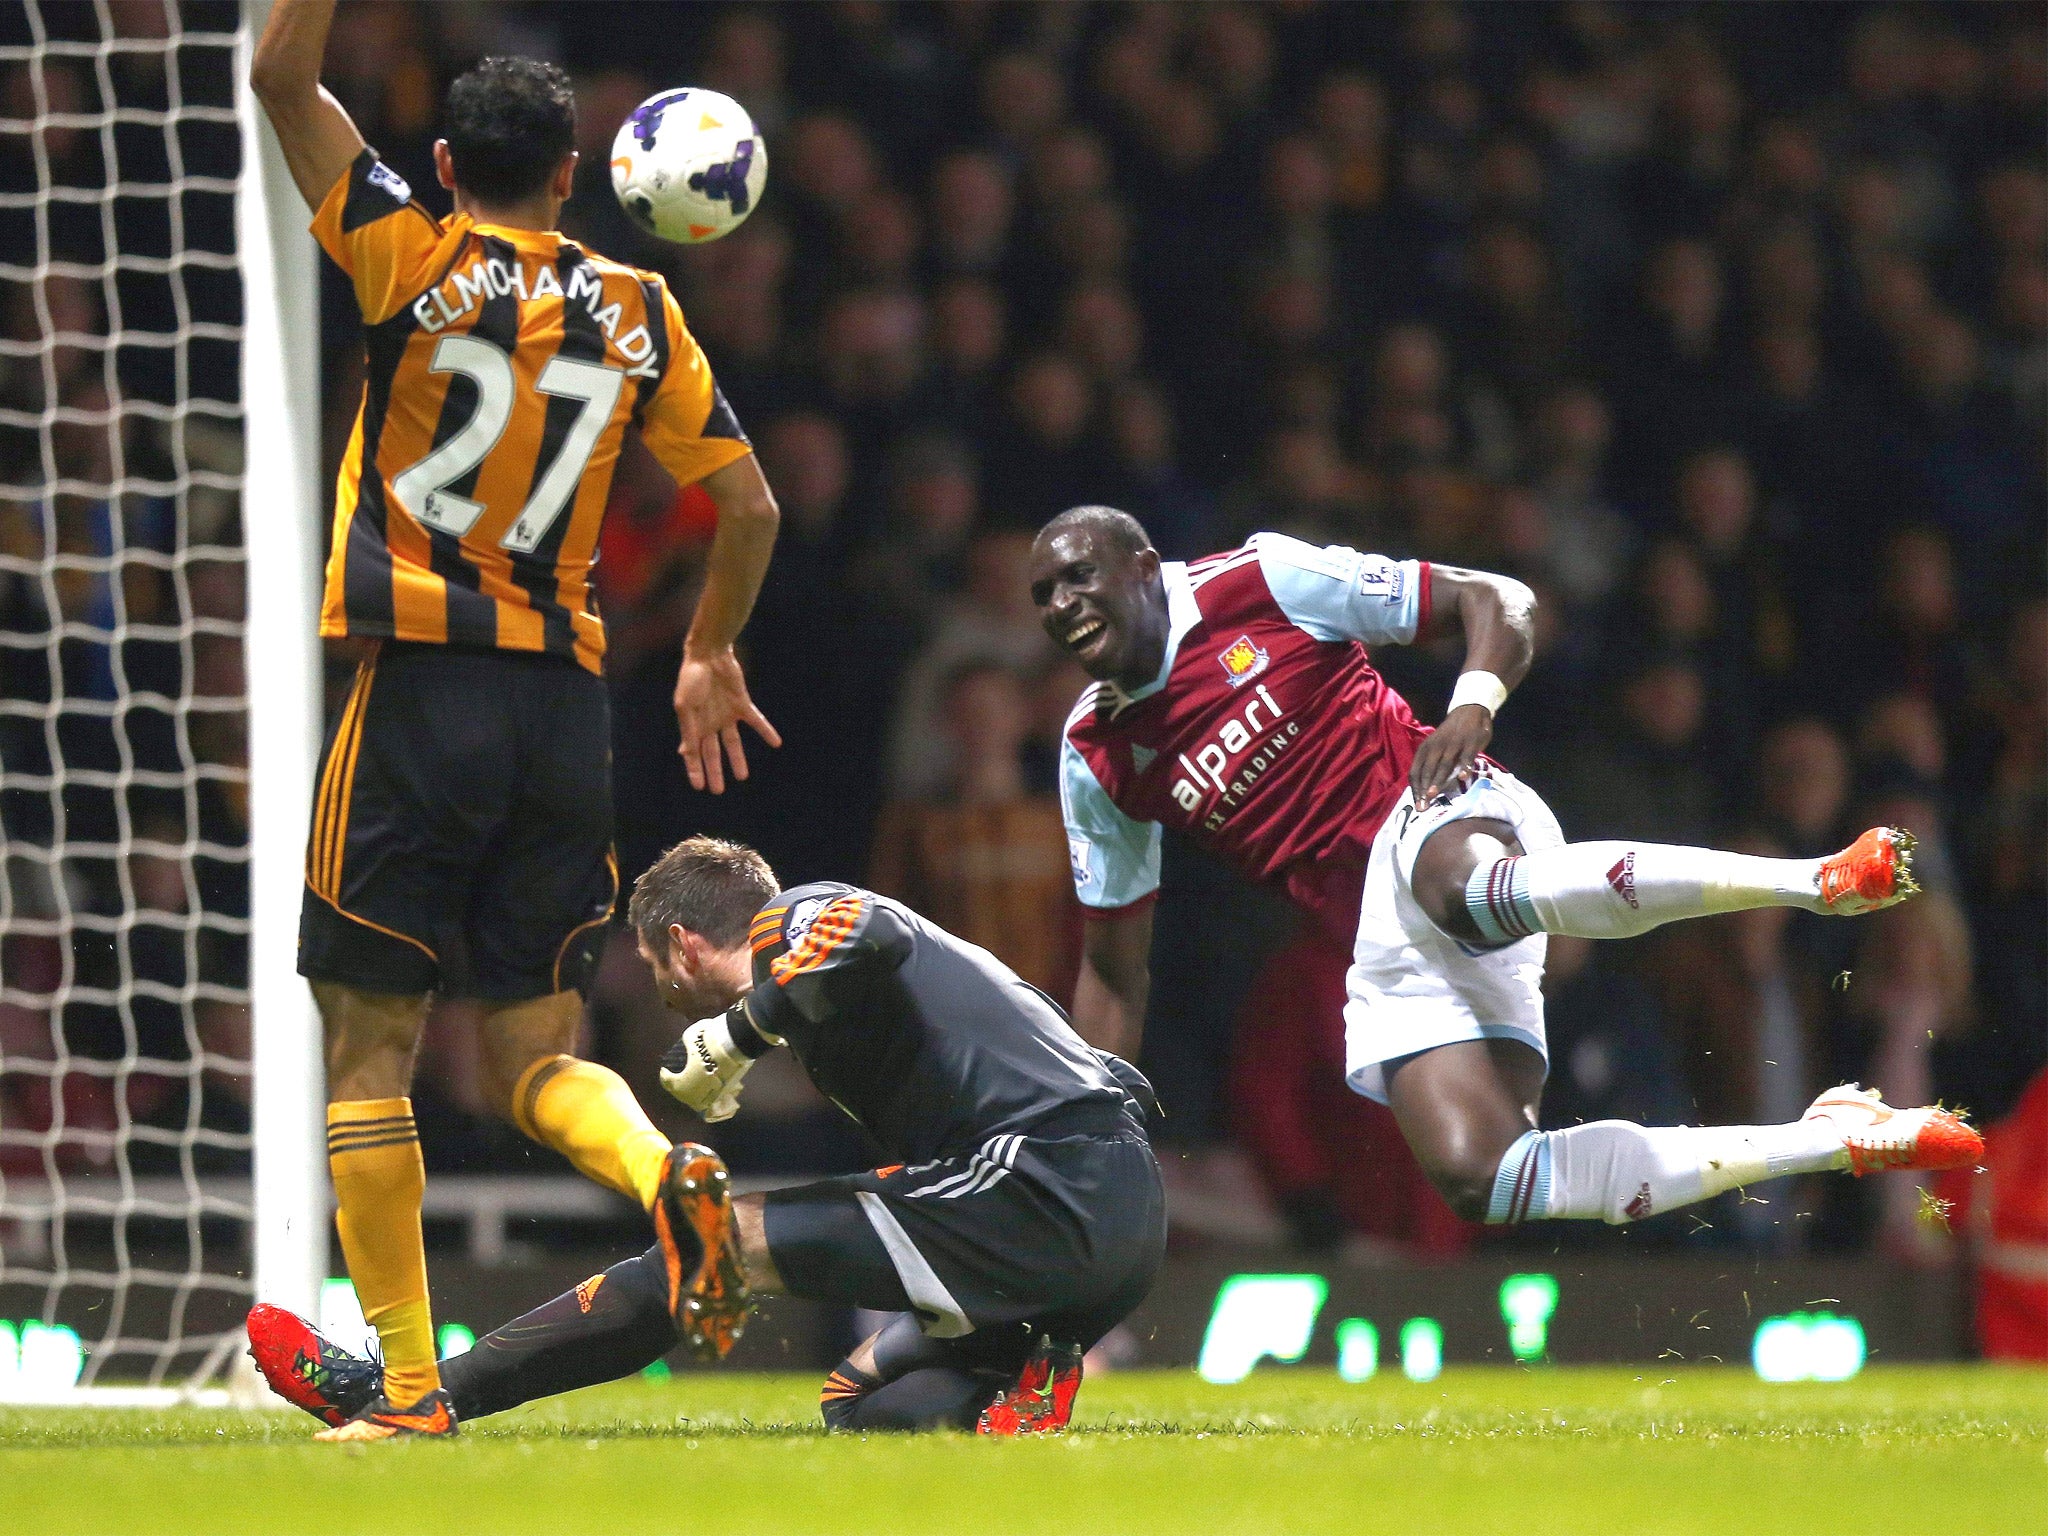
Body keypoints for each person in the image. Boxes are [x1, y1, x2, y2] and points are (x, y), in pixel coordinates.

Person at [250, 3, 782, 1440]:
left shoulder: (402, 249)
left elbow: (276, 76)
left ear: (439, 159)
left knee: (371, 1045)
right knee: (536, 1058)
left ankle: (413, 1393)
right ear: (570, 178)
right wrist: (708, 649)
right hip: (563, 705)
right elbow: (750, 504)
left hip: (415, 684)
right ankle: (665, 1172)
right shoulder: (642, 307)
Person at [1031, 505, 1984, 1238]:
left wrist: (1473, 701)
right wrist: (1088, 1112)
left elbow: (1500, 600)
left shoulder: (1259, 580)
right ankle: (1834, 1136)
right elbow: (1115, 968)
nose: (1061, 606)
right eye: (1043, 599)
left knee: (1465, 891)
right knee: (1483, 1178)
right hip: (1383, 945)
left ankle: (1815, 878)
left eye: (1077, 578)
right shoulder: (1097, 752)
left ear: (1143, 568)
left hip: (1441, 808)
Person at [248, 837, 1163, 1436]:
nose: (656, 990)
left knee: (705, 1244)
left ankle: (425, 1398)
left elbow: (864, 929)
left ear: (682, 946)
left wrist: (731, 1037)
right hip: (1095, 1216)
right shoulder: (819, 999)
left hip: (1047, 1178)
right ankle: (1022, 1386)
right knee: (860, 1404)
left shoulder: (799, 913)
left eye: (652, 967)